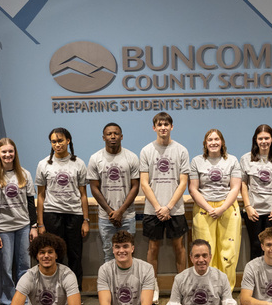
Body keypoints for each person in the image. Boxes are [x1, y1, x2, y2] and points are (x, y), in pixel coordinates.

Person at [36, 127, 90, 289]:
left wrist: (86, 220)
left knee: (75, 255)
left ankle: (75, 291)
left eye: (60, 141)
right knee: (54, 255)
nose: (57, 144)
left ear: (68, 141)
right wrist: (40, 223)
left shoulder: (78, 163)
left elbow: (83, 194)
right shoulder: (44, 164)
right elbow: (40, 196)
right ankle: (55, 291)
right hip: (52, 215)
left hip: (74, 215)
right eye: (54, 141)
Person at [189, 128, 243, 286]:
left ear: (222, 142)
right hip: (203, 210)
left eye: (216, 139)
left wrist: (222, 208)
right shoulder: (196, 161)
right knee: (205, 251)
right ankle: (207, 289)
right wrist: (208, 208)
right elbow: (193, 188)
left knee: (229, 251)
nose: (213, 142)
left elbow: (235, 187)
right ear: (205, 143)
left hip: (228, 209)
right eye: (210, 140)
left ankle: (227, 290)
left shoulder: (232, 160)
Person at [139, 112, 190, 275]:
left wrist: (168, 207)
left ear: (171, 127)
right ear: (154, 128)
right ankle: (152, 287)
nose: (163, 127)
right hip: (153, 210)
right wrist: (158, 207)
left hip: (175, 209)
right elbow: (144, 183)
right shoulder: (146, 151)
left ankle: (182, 284)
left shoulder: (181, 150)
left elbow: (183, 183)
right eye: (159, 125)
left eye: (166, 124)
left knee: (179, 247)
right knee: (153, 248)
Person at [0, 138, 36, 305]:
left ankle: (23, 300)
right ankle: (6, 302)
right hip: (3, 229)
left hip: (23, 226)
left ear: (15, 153)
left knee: (24, 266)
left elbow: (31, 202)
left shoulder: (25, 174)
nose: (8, 155)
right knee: (5, 268)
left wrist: (34, 226)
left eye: (11, 151)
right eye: (4, 152)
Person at [87, 122, 140, 263]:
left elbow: (135, 186)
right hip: (106, 217)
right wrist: (111, 212)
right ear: (103, 137)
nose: (112, 136)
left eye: (116, 133)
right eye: (109, 134)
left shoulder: (132, 157)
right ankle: (110, 285)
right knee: (109, 253)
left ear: (121, 136)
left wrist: (120, 212)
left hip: (127, 216)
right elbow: (94, 188)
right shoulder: (95, 158)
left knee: (128, 254)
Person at [239, 124, 272, 259]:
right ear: (255, 140)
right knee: (255, 246)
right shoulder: (246, 159)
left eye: (266, 138)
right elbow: (243, 183)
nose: (263, 141)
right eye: (260, 138)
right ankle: (254, 279)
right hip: (253, 211)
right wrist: (247, 206)